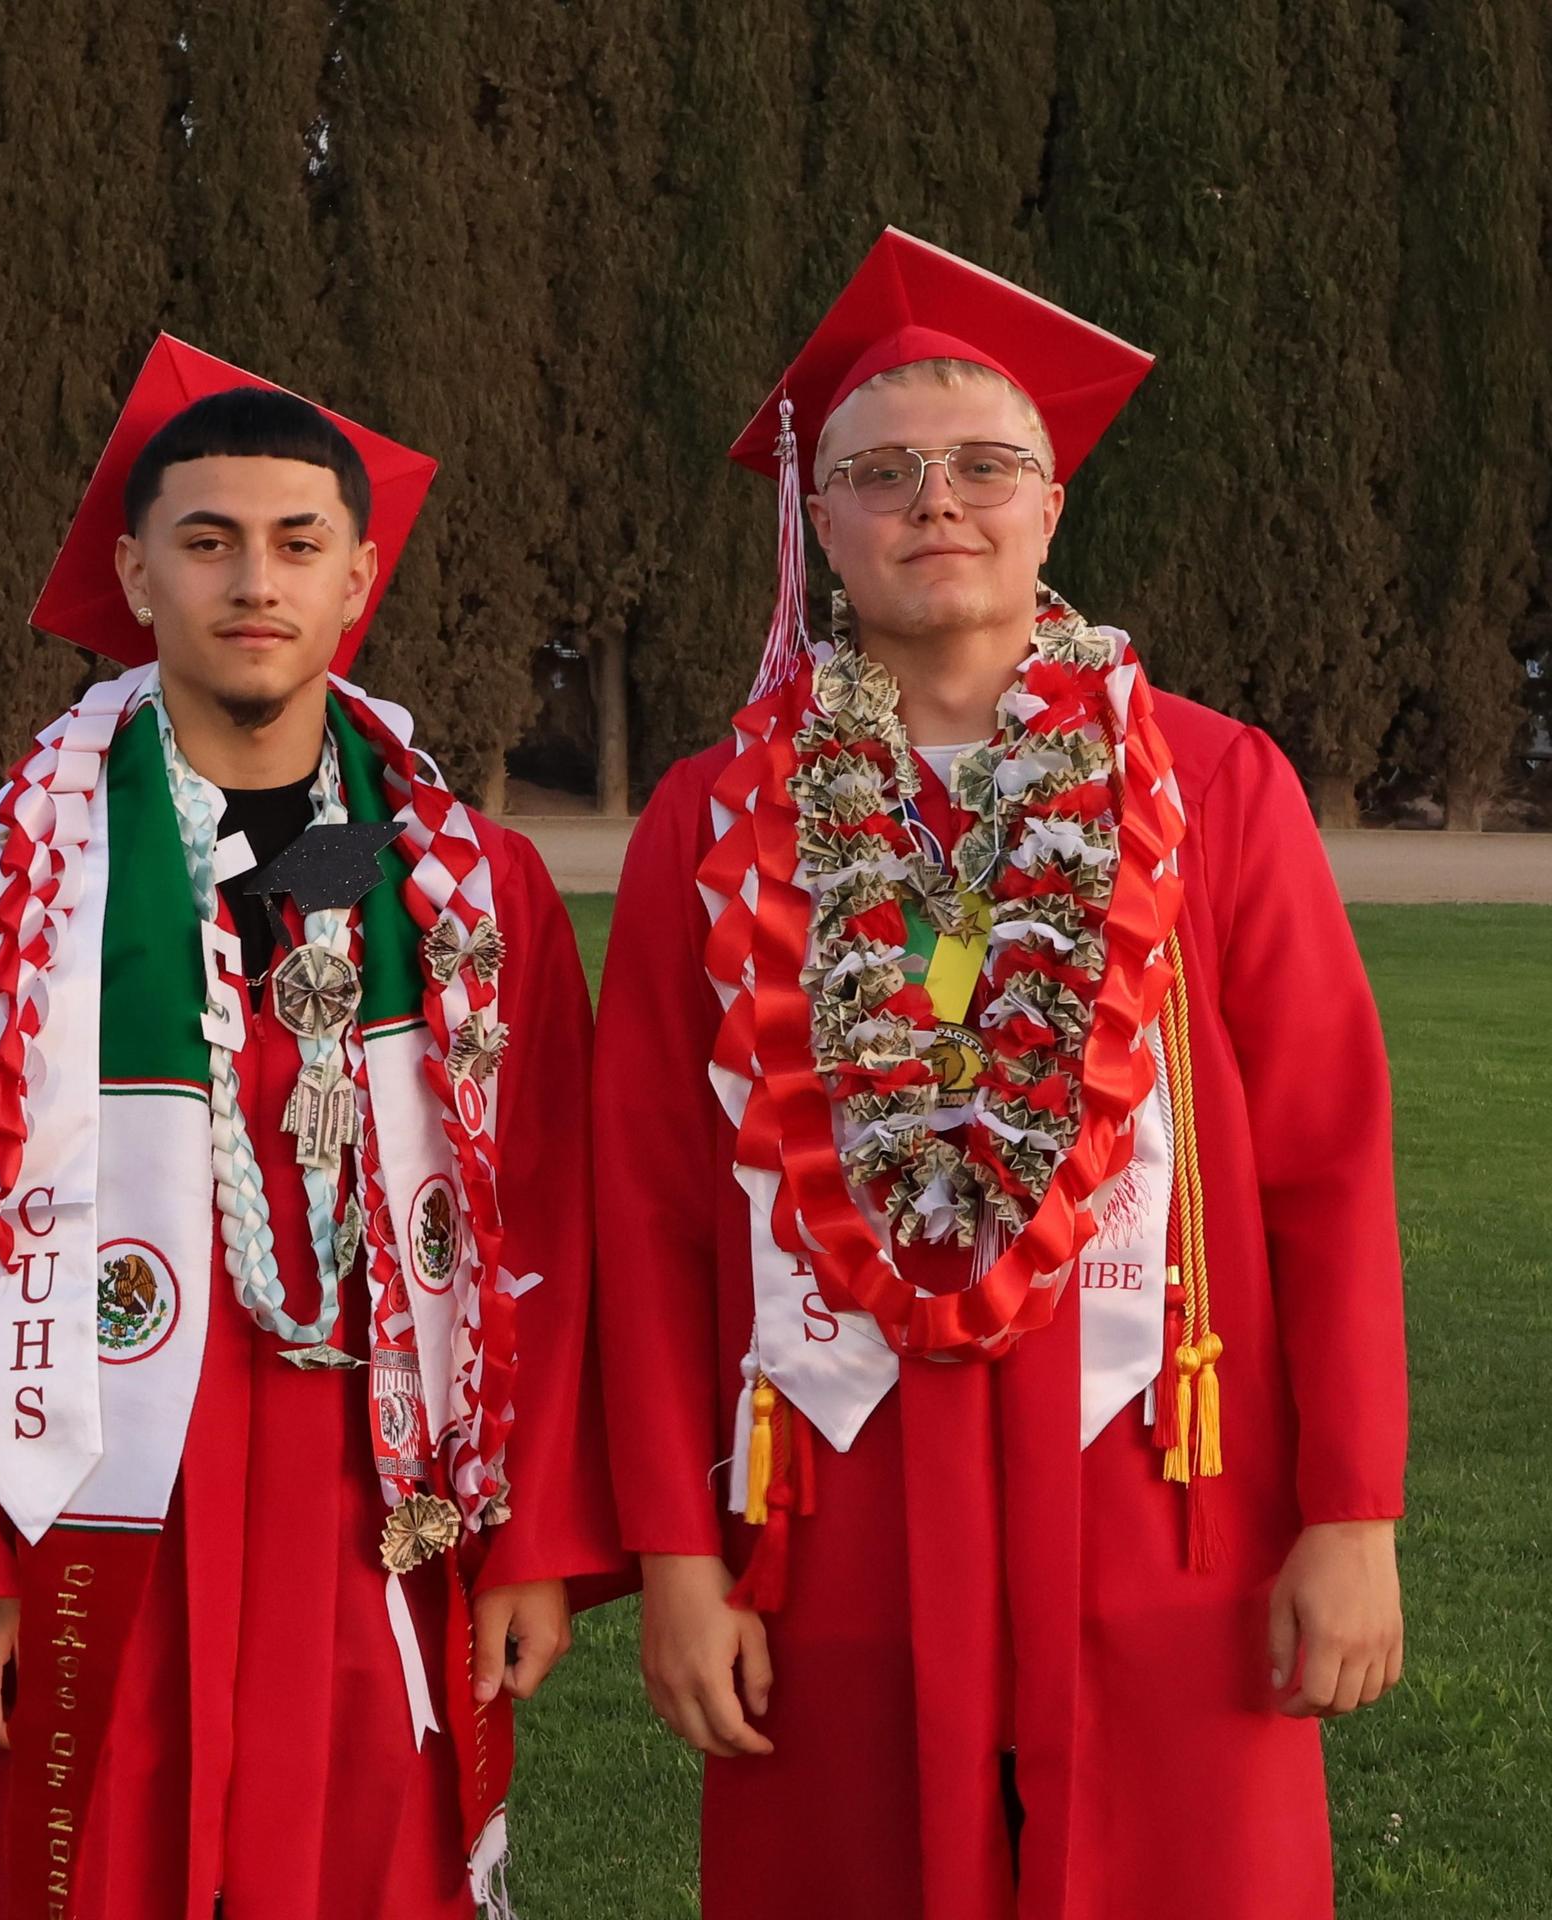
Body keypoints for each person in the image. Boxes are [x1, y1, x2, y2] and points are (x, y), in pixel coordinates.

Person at [594, 229, 1407, 1920]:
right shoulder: (715, 820)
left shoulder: (1213, 785)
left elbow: (1324, 1166)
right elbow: (654, 1206)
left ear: (1053, 505)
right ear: (821, 526)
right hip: (832, 1508)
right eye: (882, 474)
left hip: (1167, 1500)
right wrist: (681, 1557)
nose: (935, 503)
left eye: (984, 465)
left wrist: (1351, 1513)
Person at [0, 336, 622, 1920]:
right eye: (208, 540)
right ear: (133, 573)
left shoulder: (473, 895)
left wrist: (537, 1538)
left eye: (299, 544)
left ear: (360, 579)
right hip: (84, 1512)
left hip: (377, 1512)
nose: (255, 581)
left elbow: (549, 1232)